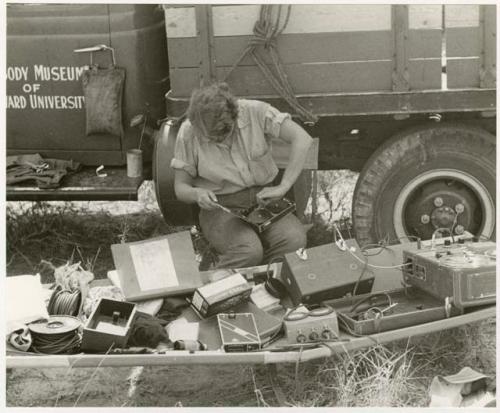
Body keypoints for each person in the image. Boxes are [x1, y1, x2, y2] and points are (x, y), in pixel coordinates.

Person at [171, 82, 313, 268]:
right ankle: (213, 287)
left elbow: (302, 139)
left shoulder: (255, 111)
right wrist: (197, 194)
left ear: (234, 118)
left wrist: (284, 186)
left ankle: (267, 286)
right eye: (207, 138)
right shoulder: (188, 131)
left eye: (218, 137)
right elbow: (180, 187)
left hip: (263, 201)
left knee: (293, 240)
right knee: (248, 251)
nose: (213, 141)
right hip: (220, 207)